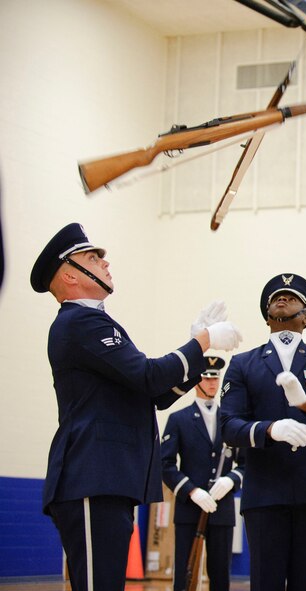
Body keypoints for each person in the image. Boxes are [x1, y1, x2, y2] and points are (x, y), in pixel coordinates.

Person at [30, 222, 242, 591]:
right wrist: (201, 340)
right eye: (93, 258)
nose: (106, 264)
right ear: (69, 275)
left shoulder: (93, 322)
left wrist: (195, 350)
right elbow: (148, 376)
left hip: (107, 479)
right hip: (90, 476)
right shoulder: (80, 322)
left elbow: (155, 394)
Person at [219, 273, 306, 591]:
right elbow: (228, 426)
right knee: (265, 583)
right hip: (266, 490)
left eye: (292, 297)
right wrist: (270, 429)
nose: (281, 299)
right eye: (275, 298)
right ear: (267, 314)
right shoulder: (243, 363)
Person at [162, 355, 245, 591]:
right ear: (197, 380)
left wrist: (231, 480)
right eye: (207, 378)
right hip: (190, 509)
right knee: (185, 574)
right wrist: (191, 491)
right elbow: (165, 463)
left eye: (215, 378)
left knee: (221, 576)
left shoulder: (231, 420)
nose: (212, 383)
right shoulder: (178, 419)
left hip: (222, 507)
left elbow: (245, 463)